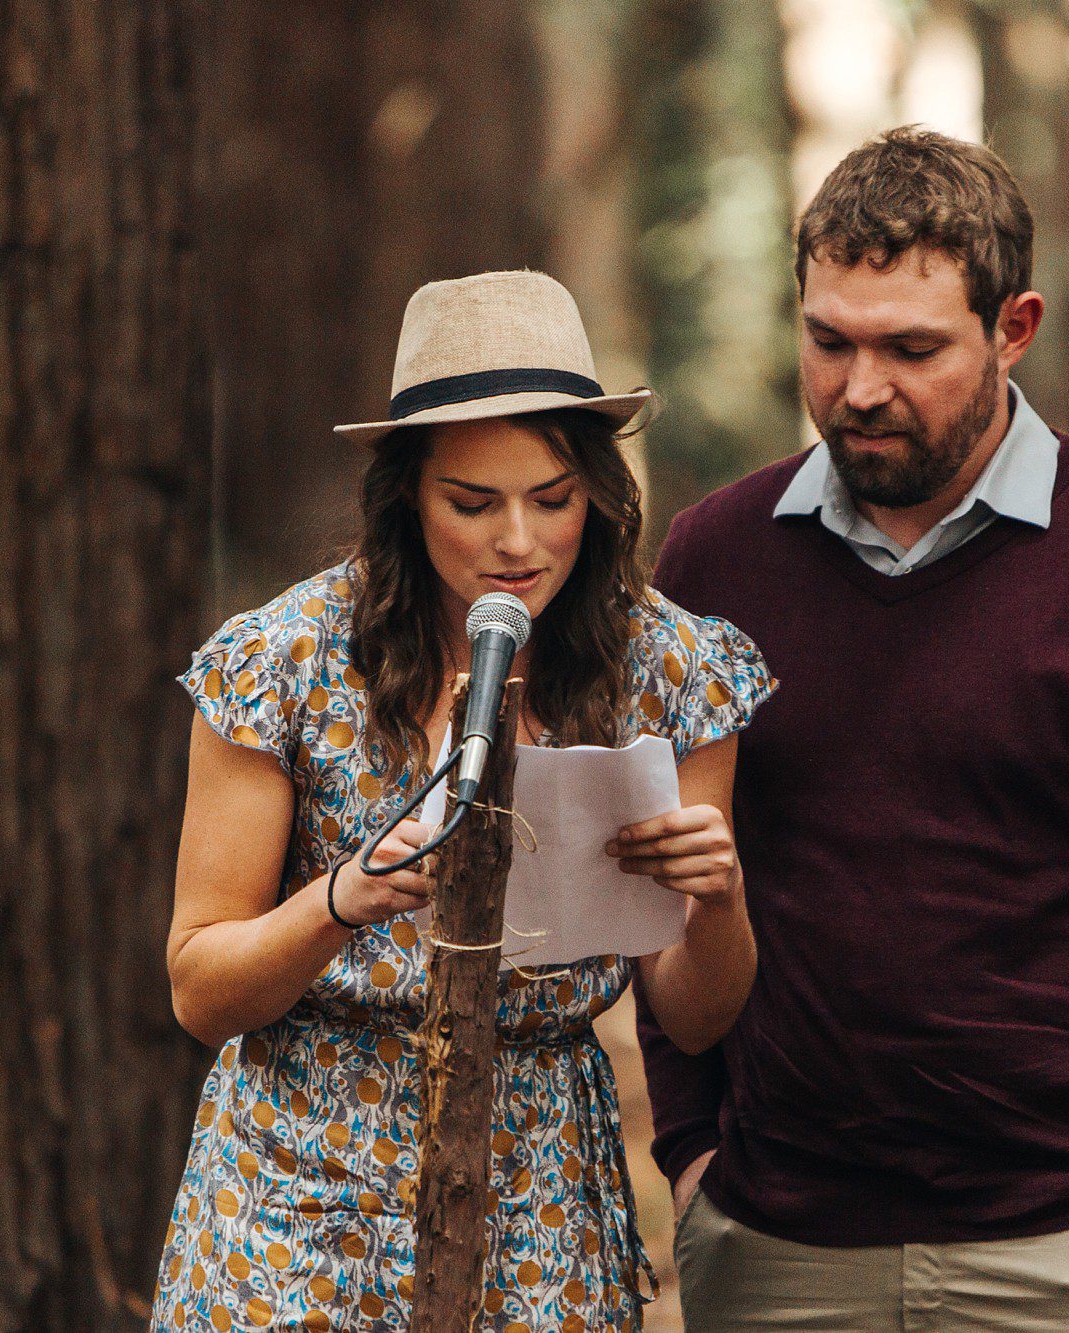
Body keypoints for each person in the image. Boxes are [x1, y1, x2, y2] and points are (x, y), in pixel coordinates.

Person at [637, 127, 1069, 1331]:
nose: (859, 388)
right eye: (828, 340)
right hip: (776, 1247)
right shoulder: (713, 560)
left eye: (911, 349)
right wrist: (694, 1150)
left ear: (1013, 328)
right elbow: (664, 872)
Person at [150, 270, 773, 1333]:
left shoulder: (668, 666)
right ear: (405, 495)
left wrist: (714, 895)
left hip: (538, 1195)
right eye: (472, 503)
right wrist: (338, 898)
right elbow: (200, 992)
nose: (517, 542)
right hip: (303, 1186)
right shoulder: (288, 659)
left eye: (553, 498)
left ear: (600, 493)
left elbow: (696, 1011)